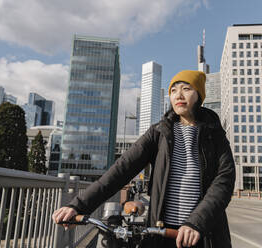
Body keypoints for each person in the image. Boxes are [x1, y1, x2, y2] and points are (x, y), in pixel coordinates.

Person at [52, 70, 236, 248]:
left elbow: (224, 181)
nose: (178, 95)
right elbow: (121, 170)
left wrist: (197, 222)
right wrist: (79, 206)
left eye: (186, 89)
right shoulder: (159, 132)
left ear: (199, 95)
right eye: (173, 90)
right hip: (161, 234)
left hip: (202, 234)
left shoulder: (215, 134)